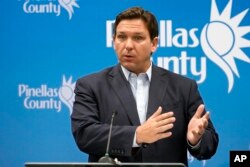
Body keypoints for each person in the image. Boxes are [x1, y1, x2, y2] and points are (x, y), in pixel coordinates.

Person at [71, 6, 219, 166]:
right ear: (114, 41)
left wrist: (195, 140)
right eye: (121, 37)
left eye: (137, 38)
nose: (128, 45)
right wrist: (137, 135)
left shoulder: (183, 87)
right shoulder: (91, 85)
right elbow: (84, 134)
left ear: (154, 44)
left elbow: (209, 144)